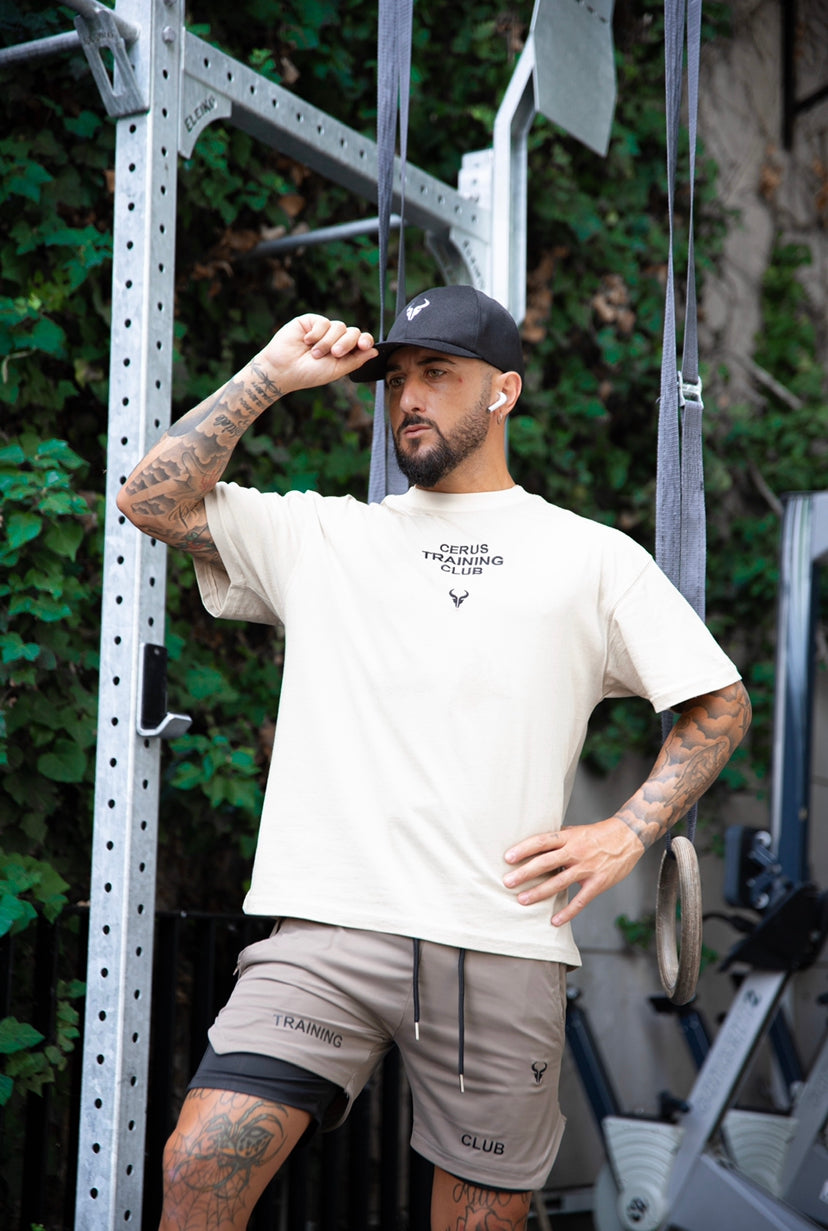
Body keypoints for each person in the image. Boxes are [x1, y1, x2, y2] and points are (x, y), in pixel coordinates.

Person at [117, 284, 751, 1231]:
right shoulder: (325, 535)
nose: (409, 396)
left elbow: (719, 700)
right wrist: (269, 375)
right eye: (397, 378)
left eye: (438, 375)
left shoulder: (592, 557)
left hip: (498, 944)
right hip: (326, 933)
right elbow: (150, 498)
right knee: (200, 1160)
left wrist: (626, 833)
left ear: (504, 392)